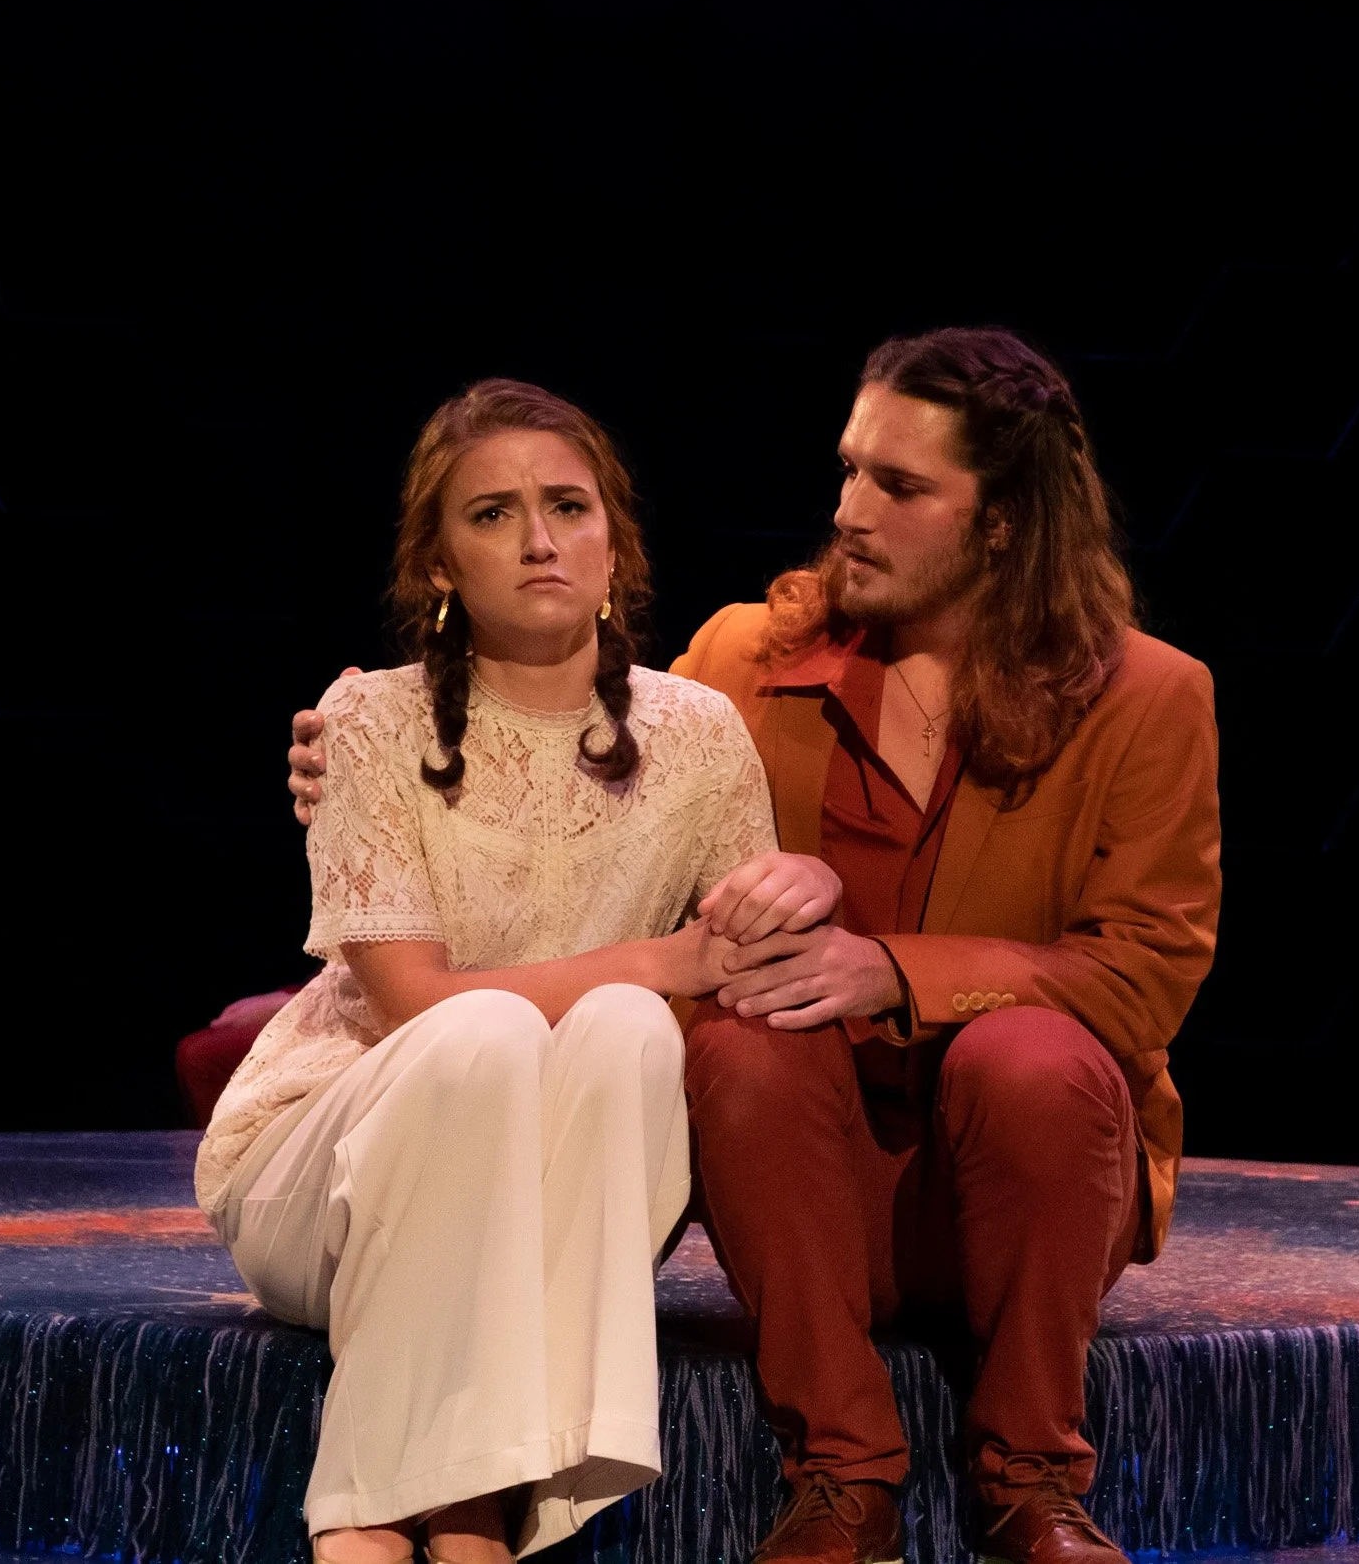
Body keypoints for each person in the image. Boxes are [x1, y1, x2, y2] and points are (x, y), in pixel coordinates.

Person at [291, 329, 1221, 1564]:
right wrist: (350, 758)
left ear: (1002, 522)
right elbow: (579, 760)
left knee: (1031, 1059)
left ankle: (1032, 1481)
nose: (847, 511)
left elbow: (1144, 972)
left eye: (897, 486)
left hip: (1025, 1185)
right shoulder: (745, 667)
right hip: (801, 1188)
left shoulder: (1147, 697)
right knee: (738, 1044)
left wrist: (891, 970)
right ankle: (841, 1478)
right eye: (847, 472)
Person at [209, 378, 842, 1564]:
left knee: (630, 1028)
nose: (540, 540)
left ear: (615, 542)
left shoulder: (699, 733)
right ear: (439, 565)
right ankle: (423, 1507)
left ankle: (455, 1500)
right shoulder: (368, 724)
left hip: (556, 1196)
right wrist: (663, 955)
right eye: (492, 514)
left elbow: (757, 958)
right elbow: (408, 1009)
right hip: (335, 1167)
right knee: (486, 1033)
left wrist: (810, 894)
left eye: (567, 507)